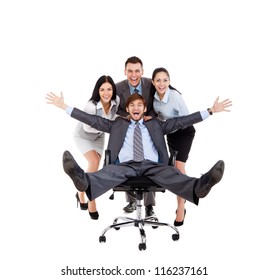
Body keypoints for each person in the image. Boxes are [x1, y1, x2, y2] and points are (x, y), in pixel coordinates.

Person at [45, 92, 232, 224]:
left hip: (152, 166)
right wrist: (64, 107)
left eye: (139, 105)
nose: (136, 107)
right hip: (125, 166)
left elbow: (183, 121)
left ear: (144, 109)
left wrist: (210, 110)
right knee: (107, 172)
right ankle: (82, 180)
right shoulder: (117, 124)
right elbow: (91, 119)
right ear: (127, 109)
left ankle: (200, 186)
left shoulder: (157, 124)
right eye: (132, 105)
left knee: (172, 172)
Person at [46, 75, 120, 220]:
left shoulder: (116, 101)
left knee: (95, 165)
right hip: (84, 135)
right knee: (93, 162)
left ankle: (80, 193)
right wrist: (108, 127)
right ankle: (92, 202)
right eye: (102, 89)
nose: (106, 93)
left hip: (99, 136)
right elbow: (87, 127)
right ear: (97, 91)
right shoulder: (91, 106)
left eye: (109, 89)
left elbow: (116, 115)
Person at [151, 67, 196, 226]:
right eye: (158, 80)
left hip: (184, 132)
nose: (162, 84)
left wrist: (168, 125)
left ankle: (181, 207)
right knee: (171, 167)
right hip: (170, 133)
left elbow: (187, 120)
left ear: (169, 81)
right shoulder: (154, 97)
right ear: (153, 82)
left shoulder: (175, 96)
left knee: (179, 168)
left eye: (165, 80)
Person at [115, 56, 156, 216]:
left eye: (137, 71)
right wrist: (127, 116)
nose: (134, 75)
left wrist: (150, 117)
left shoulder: (150, 84)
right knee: (128, 158)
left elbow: (157, 102)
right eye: (130, 71)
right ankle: (131, 201)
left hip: (148, 127)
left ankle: (149, 206)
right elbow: (115, 108)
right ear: (125, 71)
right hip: (128, 126)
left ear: (142, 71)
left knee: (150, 159)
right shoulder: (118, 88)